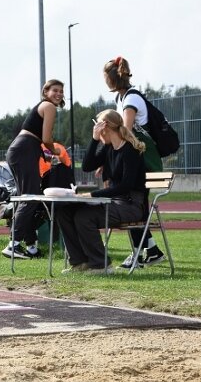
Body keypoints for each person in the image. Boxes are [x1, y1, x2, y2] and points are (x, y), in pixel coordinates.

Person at [56, 110, 147, 274]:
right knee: (64, 211)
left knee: (84, 216)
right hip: (113, 203)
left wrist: (93, 195)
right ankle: (80, 262)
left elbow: (125, 186)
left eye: (96, 125)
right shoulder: (108, 148)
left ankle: (101, 264)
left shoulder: (130, 151)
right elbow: (87, 166)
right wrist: (94, 139)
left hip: (130, 206)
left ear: (104, 126)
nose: (95, 128)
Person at [104, 56, 165, 267]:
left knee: (131, 202)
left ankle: (139, 254)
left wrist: (112, 157)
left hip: (144, 160)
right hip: (137, 160)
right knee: (131, 203)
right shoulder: (121, 99)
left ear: (110, 78)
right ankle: (151, 251)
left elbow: (127, 132)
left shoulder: (131, 100)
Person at [4, 79, 65, 259]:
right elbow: (46, 138)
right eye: (55, 90)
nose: (59, 94)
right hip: (24, 150)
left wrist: (43, 155)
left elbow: (35, 137)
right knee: (30, 198)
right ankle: (13, 244)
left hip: (22, 149)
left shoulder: (43, 106)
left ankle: (31, 247)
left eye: (61, 91)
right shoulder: (49, 107)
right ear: (45, 92)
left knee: (27, 198)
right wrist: (55, 151)